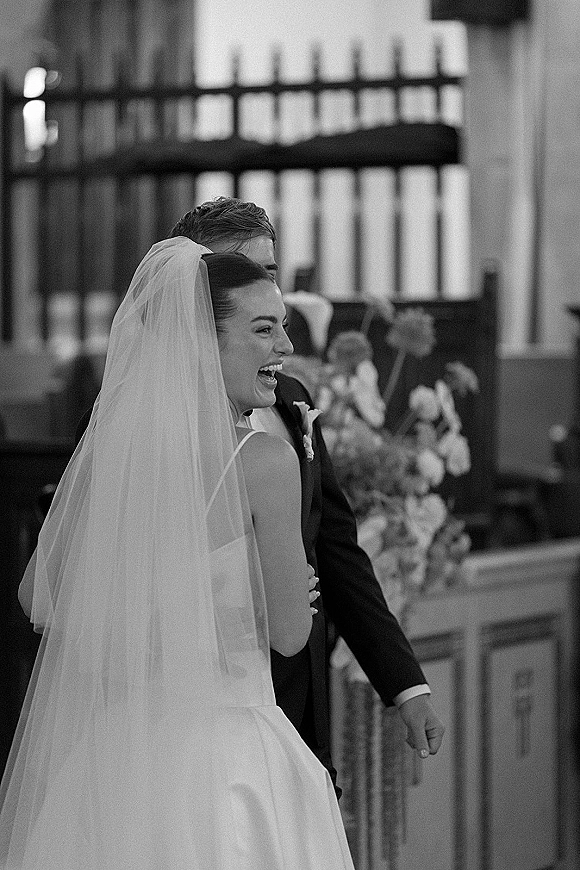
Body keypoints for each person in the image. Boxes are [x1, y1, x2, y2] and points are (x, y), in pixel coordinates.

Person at [0, 239, 355, 869]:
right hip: (229, 760)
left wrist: (144, 624)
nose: (284, 349)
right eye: (265, 330)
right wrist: (281, 591)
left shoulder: (119, 459)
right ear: (203, 343)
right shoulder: (264, 462)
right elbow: (292, 635)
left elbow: (36, 595)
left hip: (116, 759)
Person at [169, 198, 445, 785]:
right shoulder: (140, 424)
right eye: (244, 272)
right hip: (187, 712)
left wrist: (403, 682)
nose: (267, 288)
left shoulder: (288, 399)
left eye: (270, 271)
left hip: (290, 707)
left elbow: (336, 548)